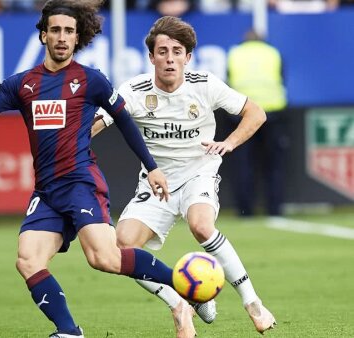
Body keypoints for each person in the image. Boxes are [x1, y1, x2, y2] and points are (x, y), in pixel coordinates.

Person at [0, 1, 198, 337]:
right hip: (47, 192)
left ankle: (184, 282)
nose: (62, 37)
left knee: (104, 258)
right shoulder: (22, 84)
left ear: (77, 38)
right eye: (55, 30)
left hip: (80, 183)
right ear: (44, 35)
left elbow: (125, 121)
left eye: (69, 31)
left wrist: (152, 167)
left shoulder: (91, 80)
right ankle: (70, 331)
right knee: (28, 260)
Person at [93, 16, 276, 336]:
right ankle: (180, 300)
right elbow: (97, 123)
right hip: (157, 180)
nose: (169, 58)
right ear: (151, 57)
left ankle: (253, 302)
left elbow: (255, 113)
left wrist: (229, 143)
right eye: (162, 51)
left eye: (177, 51)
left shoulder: (205, 83)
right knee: (121, 247)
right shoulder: (133, 90)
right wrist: (70, 143)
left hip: (198, 172)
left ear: (187, 57)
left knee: (201, 225)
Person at [227, 29, 288, 217]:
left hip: (243, 112)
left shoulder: (235, 54)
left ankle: (245, 211)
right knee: (274, 164)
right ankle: (275, 209)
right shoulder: (273, 53)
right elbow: (283, 79)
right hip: (272, 111)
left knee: (244, 163)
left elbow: (228, 81)